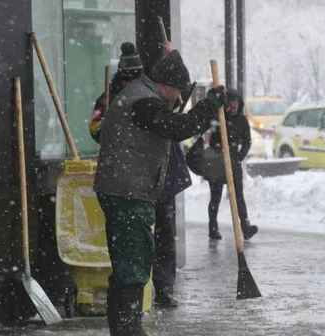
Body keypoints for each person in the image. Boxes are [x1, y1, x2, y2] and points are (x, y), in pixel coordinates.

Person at [94, 46, 226, 335]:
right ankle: (127, 328)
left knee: (132, 260)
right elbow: (178, 127)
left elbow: (171, 119)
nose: (177, 98)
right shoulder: (144, 103)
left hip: (125, 188)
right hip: (128, 191)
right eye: (177, 92)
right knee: (133, 263)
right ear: (167, 86)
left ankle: (126, 326)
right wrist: (208, 106)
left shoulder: (141, 96)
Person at [89, 42, 188, 308]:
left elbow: (175, 110)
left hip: (157, 174)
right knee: (134, 252)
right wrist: (112, 129)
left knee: (163, 234)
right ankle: (129, 317)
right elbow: (96, 127)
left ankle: (164, 286)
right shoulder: (118, 97)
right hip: (131, 180)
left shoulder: (152, 92)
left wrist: (173, 57)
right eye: (128, 75)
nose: (132, 79)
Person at [207, 88, 258, 241]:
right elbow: (211, 140)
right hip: (217, 162)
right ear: (227, 105)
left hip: (234, 161)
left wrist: (239, 157)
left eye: (236, 107)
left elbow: (247, 141)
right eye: (231, 107)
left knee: (238, 197)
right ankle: (213, 227)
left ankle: (245, 227)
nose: (234, 110)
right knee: (215, 197)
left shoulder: (242, 121)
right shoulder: (218, 118)